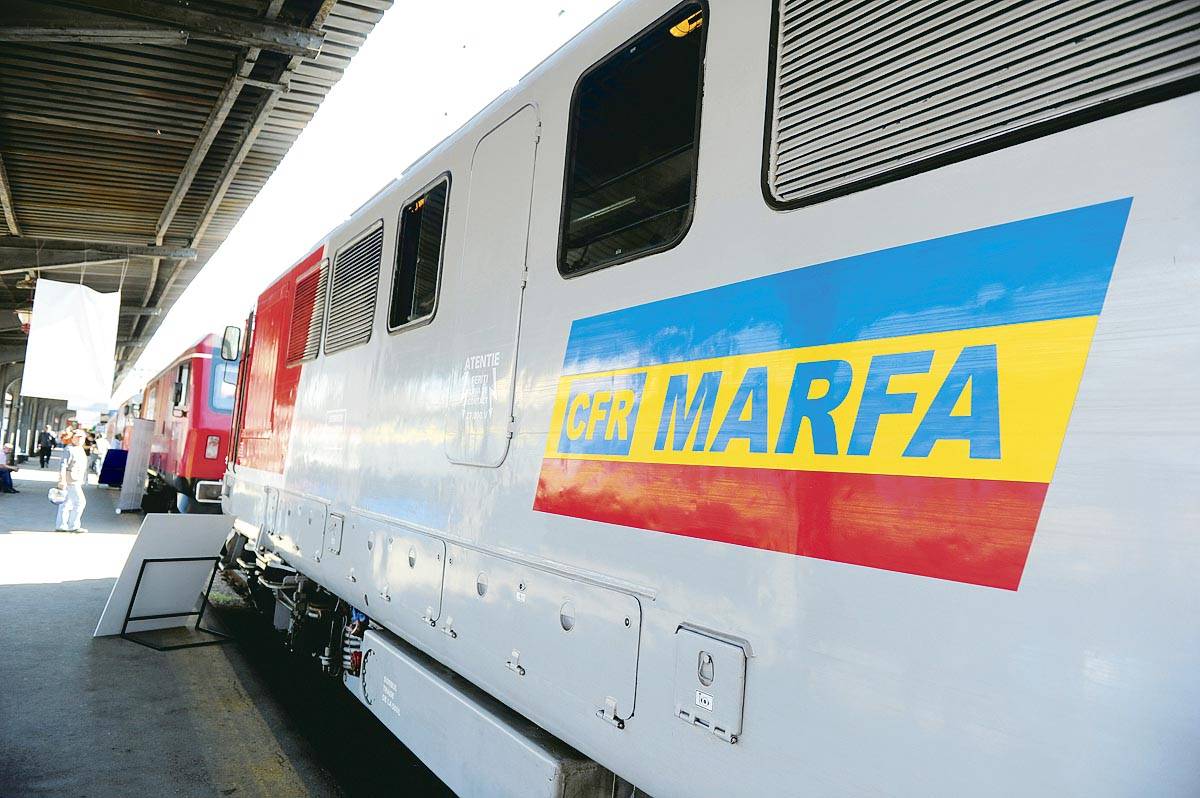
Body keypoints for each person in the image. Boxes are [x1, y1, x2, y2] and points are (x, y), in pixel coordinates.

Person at [55, 430, 87, 533]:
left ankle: (61, 525)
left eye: (82, 437)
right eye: (77, 437)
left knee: (65, 503)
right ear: (72, 438)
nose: (80, 439)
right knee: (80, 502)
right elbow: (63, 466)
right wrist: (62, 480)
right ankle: (74, 525)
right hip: (70, 480)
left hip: (76, 480)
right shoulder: (69, 449)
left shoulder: (80, 449)